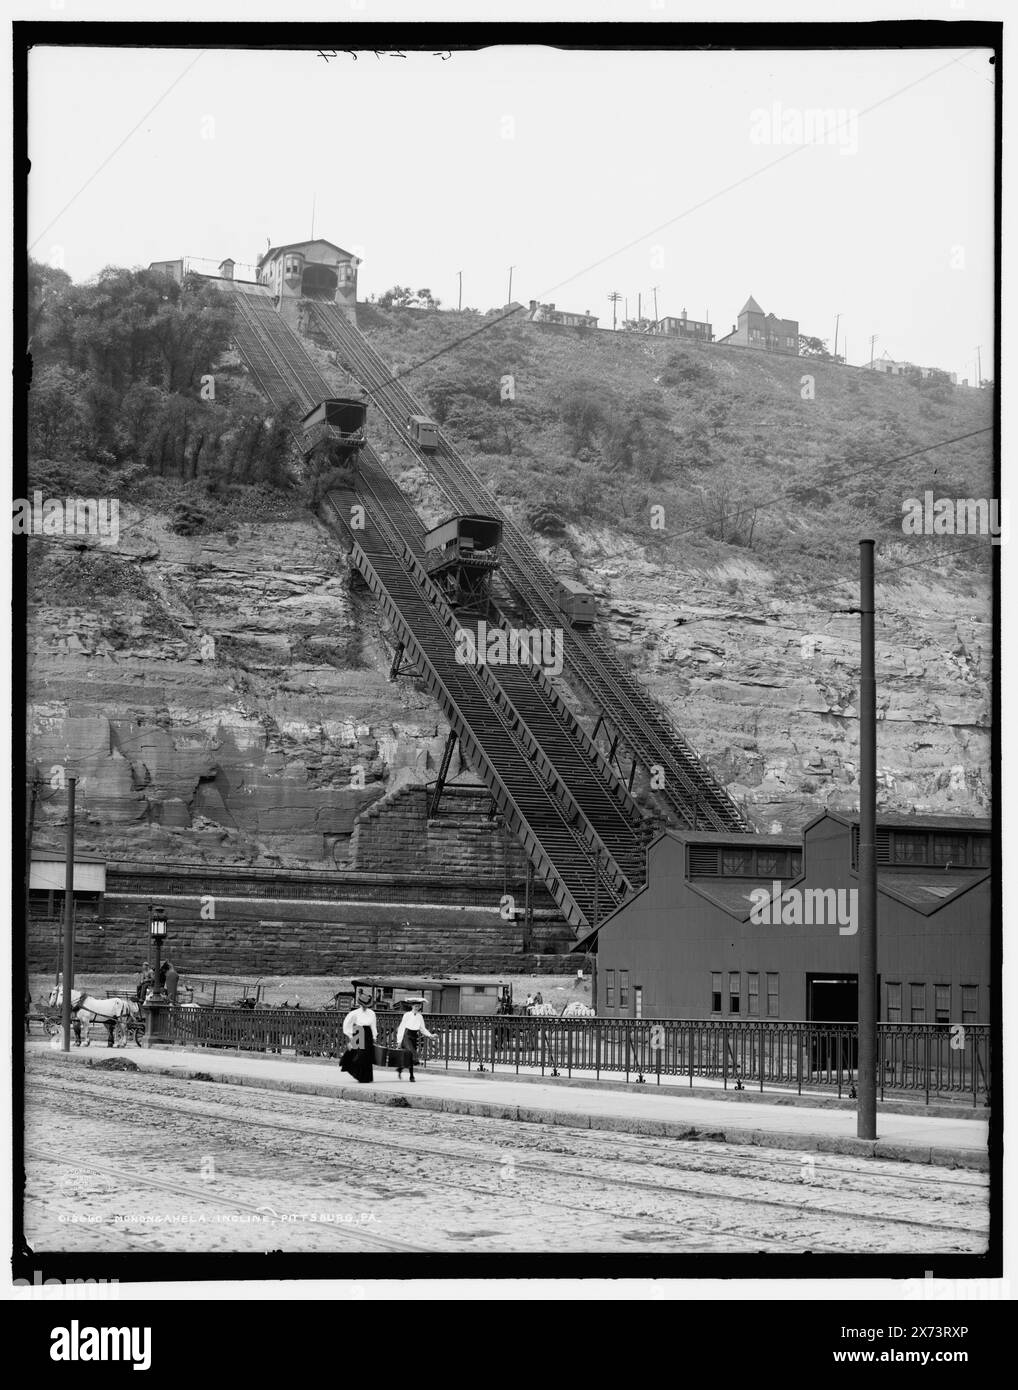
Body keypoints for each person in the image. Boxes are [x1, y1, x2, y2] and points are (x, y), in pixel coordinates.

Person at [340, 992, 377, 1083]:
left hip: (368, 1033)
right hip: (359, 1031)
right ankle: (358, 1074)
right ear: (360, 1004)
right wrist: (350, 1036)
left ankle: (366, 1077)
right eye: (363, 1005)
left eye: (366, 1005)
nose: (365, 1006)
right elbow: (347, 1024)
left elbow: (373, 1025)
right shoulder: (354, 1013)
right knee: (359, 1054)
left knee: (367, 1055)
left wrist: (374, 1036)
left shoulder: (372, 1013)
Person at [395, 1001, 436, 1082]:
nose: (417, 1008)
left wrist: (430, 1035)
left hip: (414, 1036)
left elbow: (422, 1028)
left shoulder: (420, 1016)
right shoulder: (407, 1015)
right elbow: (402, 1027)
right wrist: (399, 1041)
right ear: (412, 1006)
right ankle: (415, 1061)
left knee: (410, 1057)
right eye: (415, 1006)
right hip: (406, 1035)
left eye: (418, 1006)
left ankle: (409, 1074)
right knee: (412, 1052)